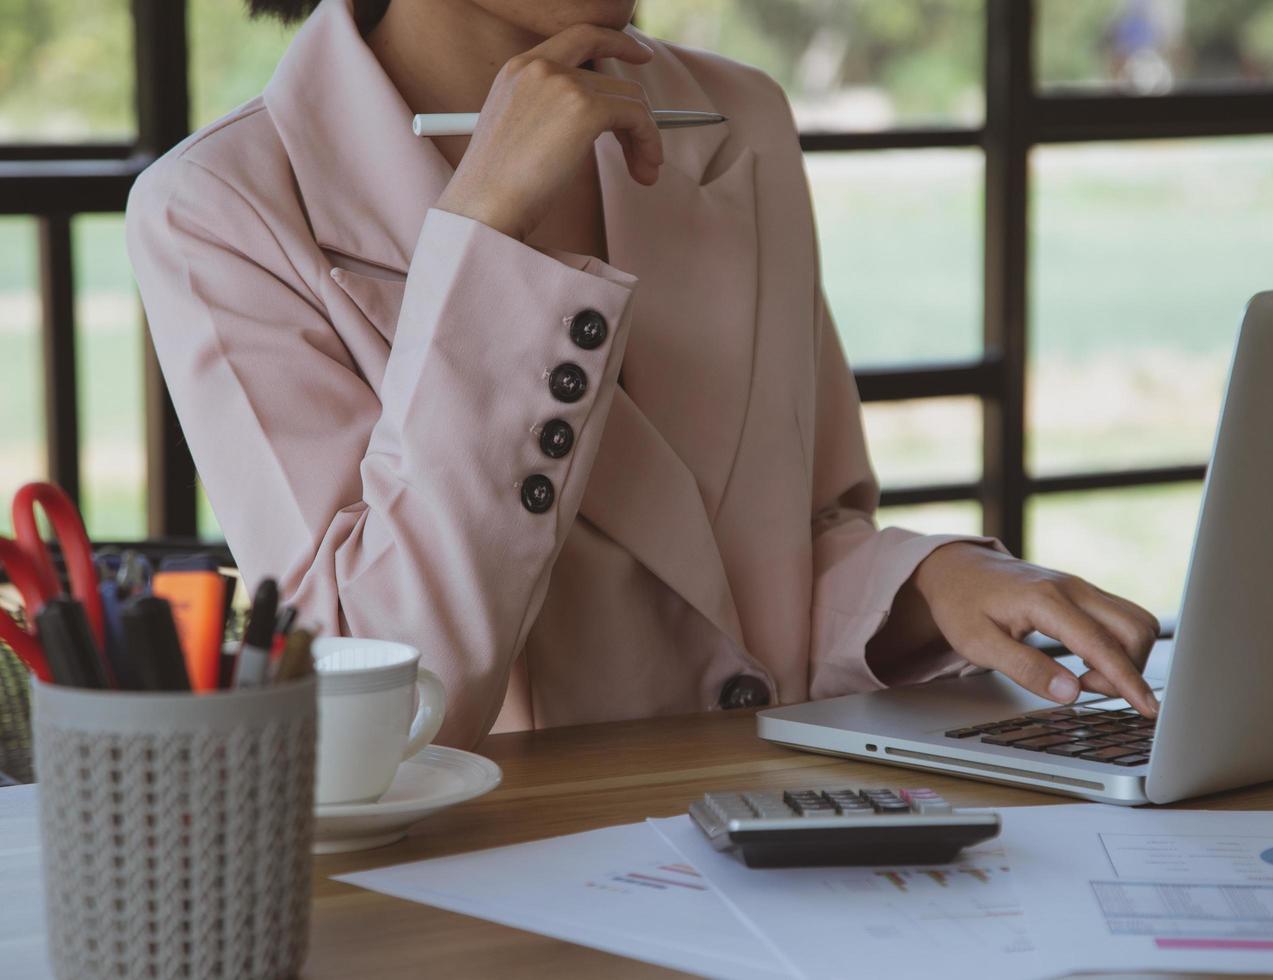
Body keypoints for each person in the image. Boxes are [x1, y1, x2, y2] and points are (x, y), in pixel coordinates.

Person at [126, 0, 1160, 751]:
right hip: (491, 877)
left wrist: (926, 582)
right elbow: (386, 691)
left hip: (782, 834)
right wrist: (483, 238)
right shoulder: (220, 209)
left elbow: (789, 536)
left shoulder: (736, 120)